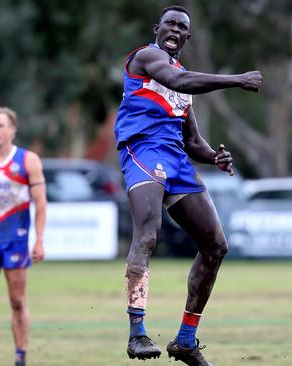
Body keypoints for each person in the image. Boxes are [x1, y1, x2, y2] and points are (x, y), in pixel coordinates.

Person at [114, 5, 262, 365]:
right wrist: (236, 79)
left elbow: (192, 141)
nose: (175, 30)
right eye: (170, 23)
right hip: (143, 152)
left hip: (177, 161)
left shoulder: (183, 80)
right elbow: (178, 81)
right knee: (148, 234)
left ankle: (185, 340)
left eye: (182, 26)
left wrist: (215, 157)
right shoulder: (148, 56)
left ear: (187, 36)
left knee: (215, 247)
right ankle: (137, 334)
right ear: (157, 28)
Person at [0, 107, 46, 366]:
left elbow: (41, 203)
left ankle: (20, 356)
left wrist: (38, 240)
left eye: (1, 125)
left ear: (13, 129)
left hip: (16, 240)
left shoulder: (28, 160)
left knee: (17, 301)